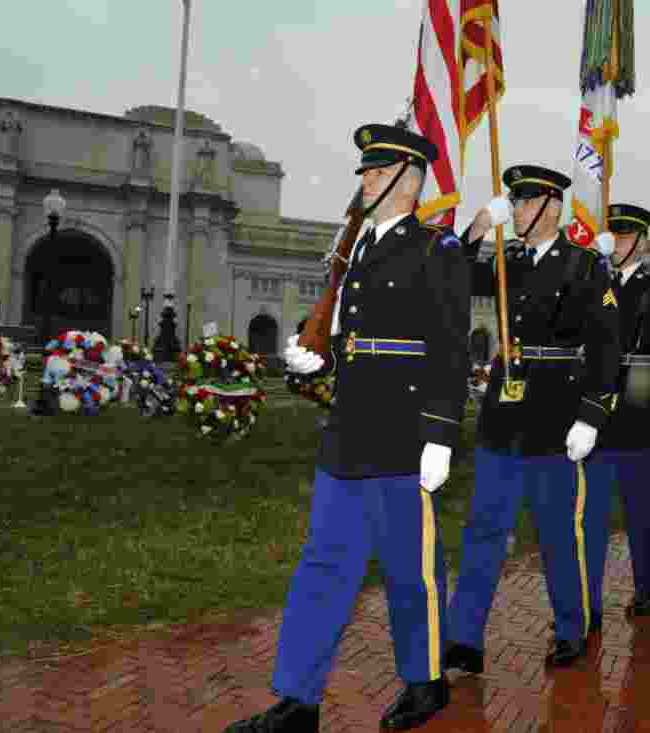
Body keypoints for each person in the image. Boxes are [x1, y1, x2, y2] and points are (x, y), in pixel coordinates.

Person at [223, 123, 471, 733]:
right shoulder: (358, 249)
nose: (366, 182)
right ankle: (298, 700)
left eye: (379, 172)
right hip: (349, 430)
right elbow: (357, 339)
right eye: (365, 172)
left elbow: (449, 349)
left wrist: (440, 434)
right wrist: (322, 359)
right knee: (323, 568)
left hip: (404, 435)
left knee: (410, 571)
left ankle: (426, 681)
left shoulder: (437, 250)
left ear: (410, 181)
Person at [442, 164, 620, 673]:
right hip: (503, 414)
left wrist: (591, 416)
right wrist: (478, 228)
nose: (516, 210)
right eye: (514, 202)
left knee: (557, 533)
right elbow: (454, 278)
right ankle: (464, 639)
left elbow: (606, 348)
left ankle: (570, 628)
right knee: (484, 529)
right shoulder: (508, 261)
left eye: (523, 202)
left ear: (551, 207)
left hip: (554, 416)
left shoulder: (584, 266)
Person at [582, 203, 650, 620]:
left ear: (643, 244)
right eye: (614, 235)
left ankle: (647, 584)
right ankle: (588, 600)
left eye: (626, 236)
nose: (617, 243)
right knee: (590, 517)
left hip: (639, 407)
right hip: (595, 413)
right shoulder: (593, 283)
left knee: (641, 512)